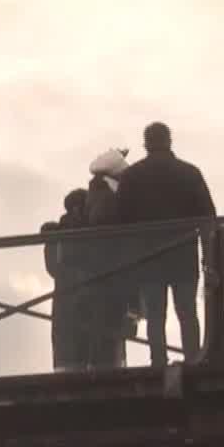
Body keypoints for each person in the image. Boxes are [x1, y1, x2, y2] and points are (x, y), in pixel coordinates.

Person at [115, 122, 217, 367]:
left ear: (145, 144)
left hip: (149, 256)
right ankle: (193, 359)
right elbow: (208, 219)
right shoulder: (190, 173)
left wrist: (128, 261)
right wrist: (209, 258)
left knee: (155, 315)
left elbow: (120, 222)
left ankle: (158, 361)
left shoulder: (132, 176)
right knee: (187, 313)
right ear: (169, 141)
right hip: (184, 254)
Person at [81, 149, 135, 370]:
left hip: (101, 271)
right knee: (109, 321)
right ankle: (107, 367)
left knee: (104, 321)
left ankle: (103, 365)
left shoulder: (96, 194)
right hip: (110, 271)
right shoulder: (108, 198)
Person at [43, 190, 91, 371]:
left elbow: (52, 268)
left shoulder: (57, 234)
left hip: (64, 300)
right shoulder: (91, 229)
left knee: (66, 352)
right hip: (86, 297)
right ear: (79, 208)